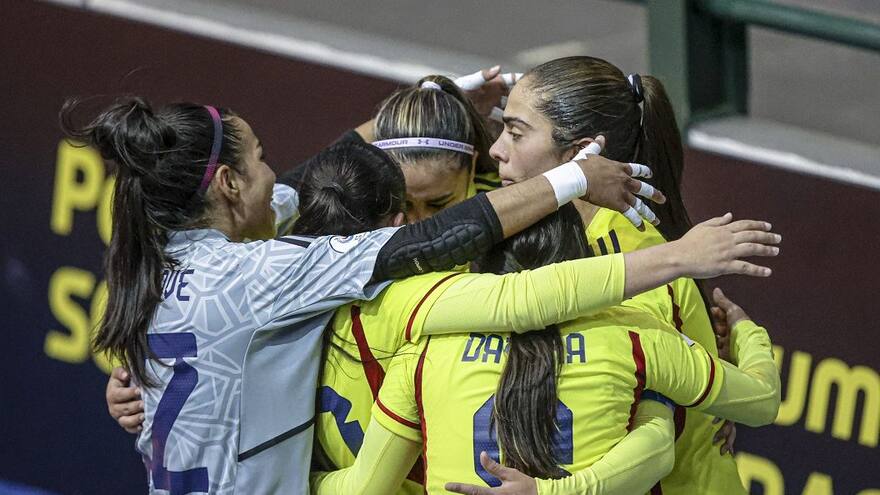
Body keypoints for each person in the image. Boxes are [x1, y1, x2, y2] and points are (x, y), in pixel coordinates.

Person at [105, 137, 780, 494]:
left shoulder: (166, 266)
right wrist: (690, 272)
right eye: (257, 162)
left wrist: (130, 382)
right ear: (393, 221)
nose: (275, 172)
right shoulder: (416, 312)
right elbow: (519, 300)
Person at [310, 205, 781, 495]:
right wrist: (745, 332)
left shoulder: (424, 352)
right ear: (580, 265)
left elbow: (362, 489)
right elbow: (759, 404)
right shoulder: (637, 338)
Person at [489, 56, 751, 493]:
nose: (497, 149)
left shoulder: (632, 251)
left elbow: (653, 437)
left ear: (580, 154)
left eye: (516, 133)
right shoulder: (537, 225)